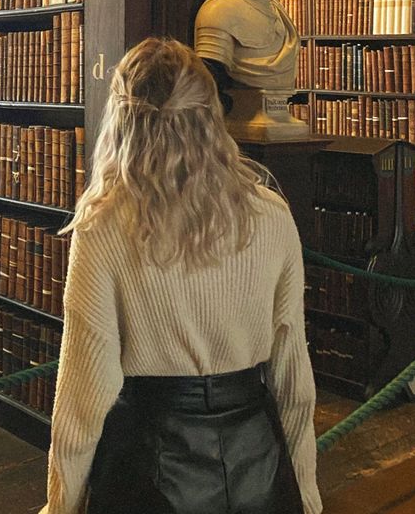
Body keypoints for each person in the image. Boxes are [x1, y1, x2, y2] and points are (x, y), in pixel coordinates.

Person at [39, 37, 321, 514]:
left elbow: (85, 392)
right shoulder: (272, 215)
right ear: (212, 116)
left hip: (149, 466)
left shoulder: (104, 227)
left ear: (122, 121)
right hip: (257, 455)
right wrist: (307, 494)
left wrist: (60, 504)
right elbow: (293, 373)